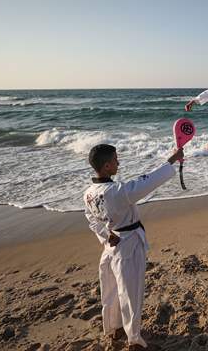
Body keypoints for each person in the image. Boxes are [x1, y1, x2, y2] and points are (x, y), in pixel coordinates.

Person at [84, 144, 183, 350]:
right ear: (107, 165)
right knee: (131, 294)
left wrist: (105, 235)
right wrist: (171, 160)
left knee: (110, 291)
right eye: (115, 159)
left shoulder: (89, 193)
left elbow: (91, 219)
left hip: (111, 245)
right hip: (128, 243)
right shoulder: (116, 191)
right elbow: (147, 181)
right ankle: (134, 339)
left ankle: (114, 328)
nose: (118, 162)